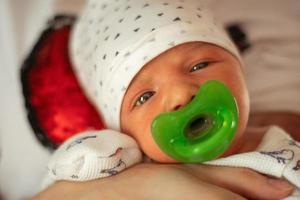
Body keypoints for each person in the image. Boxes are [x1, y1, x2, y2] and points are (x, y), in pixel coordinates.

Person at [32, 0, 300, 199]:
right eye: (144, 97)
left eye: (199, 65)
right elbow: (78, 165)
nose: (181, 95)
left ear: (239, 67)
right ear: (122, 129)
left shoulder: (284, 143)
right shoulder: (123, 168)